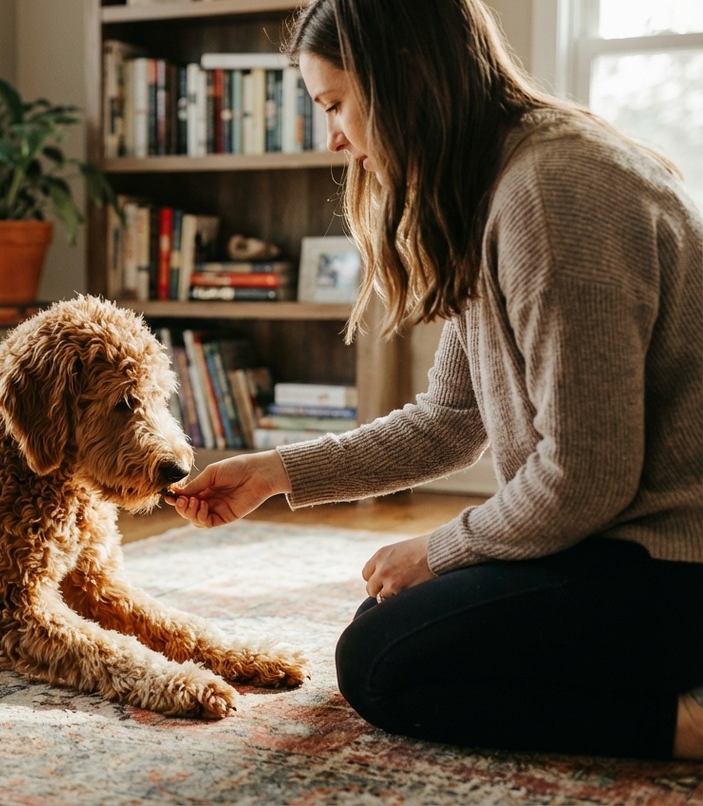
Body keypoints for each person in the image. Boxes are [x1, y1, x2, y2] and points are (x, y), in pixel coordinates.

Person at [167, 0, 703, 762]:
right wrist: (278, 473)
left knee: (381, 667)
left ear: (405, 78)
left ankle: (683, 724)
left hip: (672, 563)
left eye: (337, 105)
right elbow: (450, 417)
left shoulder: (552, 195)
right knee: (384, 628)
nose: (336, 139)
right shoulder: (501, 182)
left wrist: (443, 548)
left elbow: (586, 475)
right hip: (616, 545)